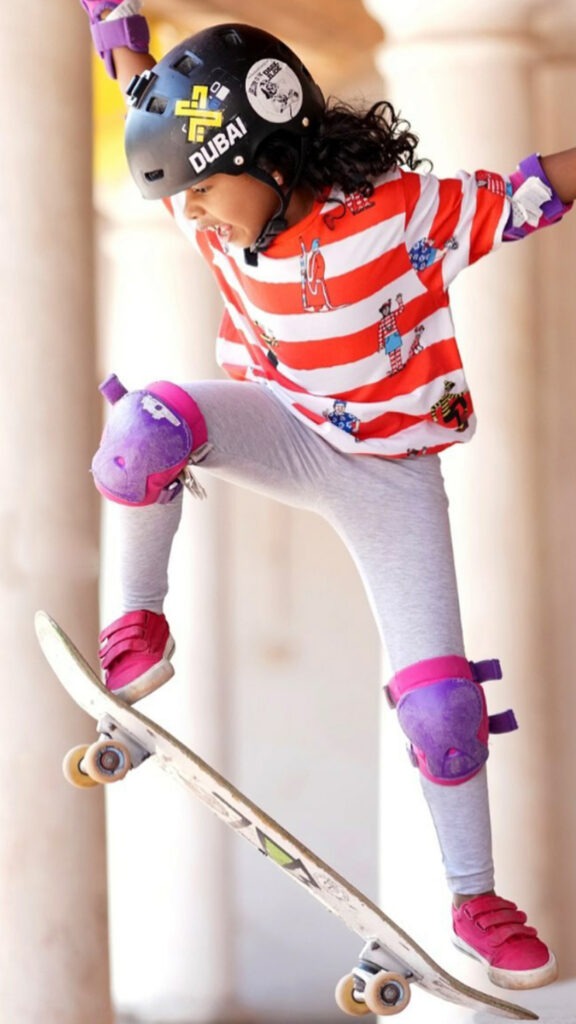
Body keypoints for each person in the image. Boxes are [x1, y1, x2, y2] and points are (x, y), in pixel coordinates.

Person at [80, 0, 576, 991]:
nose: (194, 213)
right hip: (283, 427)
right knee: (144, 430)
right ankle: (139, 625)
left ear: (268, 159)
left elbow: (536, 189)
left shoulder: (407, 216)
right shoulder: (209, 201)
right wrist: (111, 14)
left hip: (393, 476)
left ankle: (475, 897)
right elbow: (139, 80)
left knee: (442, 707)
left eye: (207, 189)